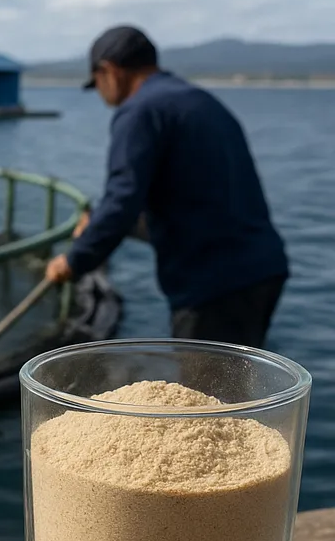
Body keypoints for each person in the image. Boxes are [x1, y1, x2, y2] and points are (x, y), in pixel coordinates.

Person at [44, 25, 289, 347]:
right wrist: (99, 226)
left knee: (204, 380)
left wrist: (74, 260)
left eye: (97, 83)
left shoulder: (139, 111)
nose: (102, 95)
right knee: (239, 375)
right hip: (262, 269)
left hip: (212, 282)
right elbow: (192, 198)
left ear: (109, 71)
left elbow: (122, 200)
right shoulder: (198, 101)